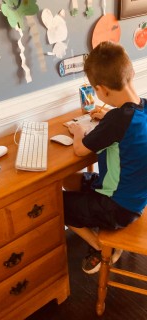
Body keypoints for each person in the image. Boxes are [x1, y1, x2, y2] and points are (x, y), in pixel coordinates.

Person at [63, 41, 147, 274]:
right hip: (135, 198)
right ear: (130, 73)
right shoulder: (142, 109)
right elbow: (125, 122)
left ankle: (100, 247)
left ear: (100, 90)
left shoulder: (116, 121)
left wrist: (77, 129)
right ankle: (100, 233)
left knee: (57, 205)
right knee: (68, 181)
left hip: (118, 208)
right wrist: (108, 114)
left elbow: (80, 150)